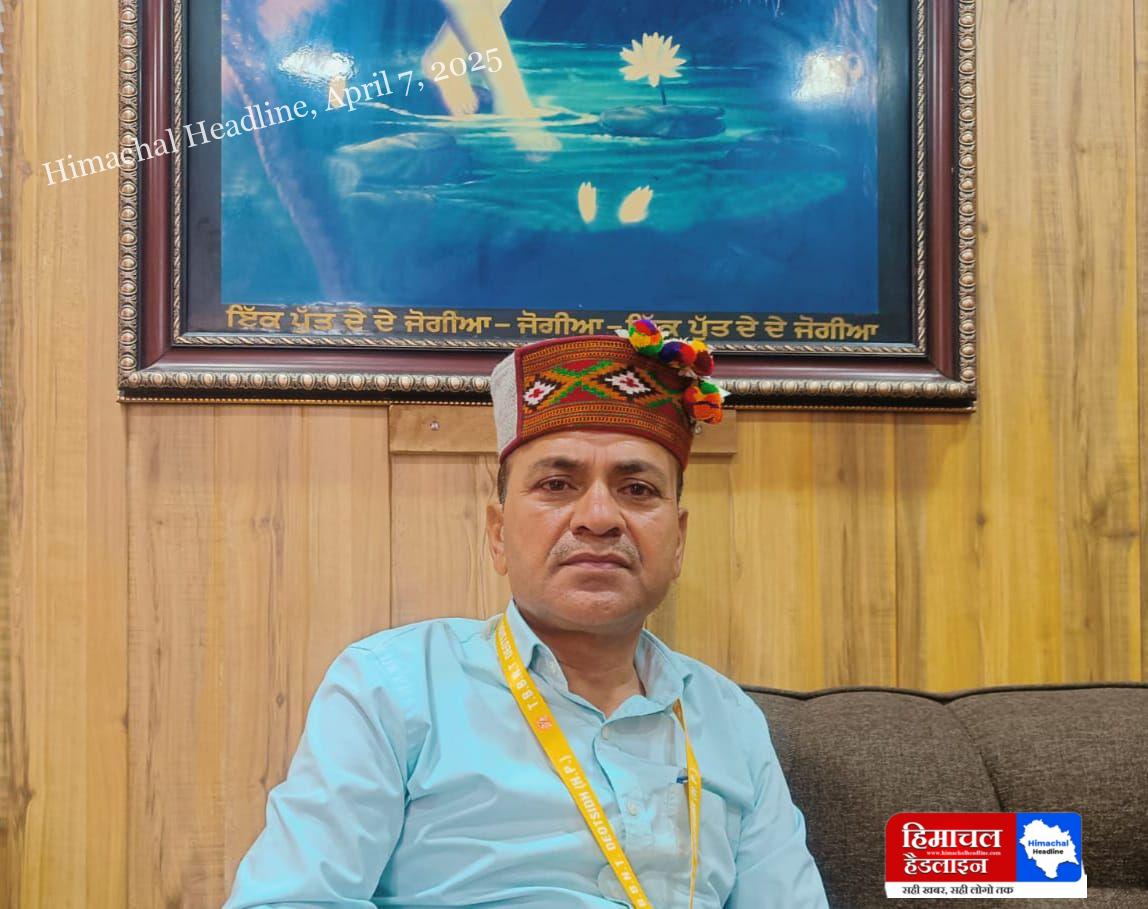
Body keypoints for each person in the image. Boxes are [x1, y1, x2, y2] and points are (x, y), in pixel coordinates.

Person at [222, 326, 829, 908]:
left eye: (638, 490)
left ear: (679, 542)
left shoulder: (728, 718)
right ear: (497, 535)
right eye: (558, 484)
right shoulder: (393, 686)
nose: (599, 518)